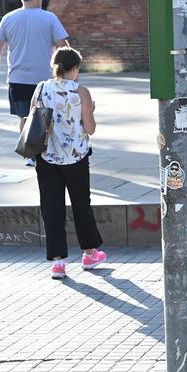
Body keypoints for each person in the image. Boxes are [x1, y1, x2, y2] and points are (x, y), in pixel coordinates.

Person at [30, 47, 107, 279]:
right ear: (74, 69)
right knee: (81, 205)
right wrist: (91, 110)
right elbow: (90, 128)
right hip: (76, 158)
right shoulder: (81, 92)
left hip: (47, 158)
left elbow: (32, 117)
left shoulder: (42, 87)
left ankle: (58, 263)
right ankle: (90, 253)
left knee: (51, 208)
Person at [0, 0, 70, 150]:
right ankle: (46, 150)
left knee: (25, 115)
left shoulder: (8, 18)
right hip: (45, 78)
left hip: (18, 79)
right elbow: (63, 46)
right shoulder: (49, 18)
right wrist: (68, 72)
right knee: (47, 115)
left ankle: (29, 151)